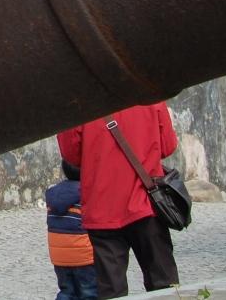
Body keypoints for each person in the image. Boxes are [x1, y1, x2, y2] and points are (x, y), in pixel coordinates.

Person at [57, 102, 180, 298]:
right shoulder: (150, 98)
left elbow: (72, 156)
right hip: (145, 202)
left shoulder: (78, 103)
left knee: (112, 291)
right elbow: (168, 146)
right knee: (164, 284)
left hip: (102, 207)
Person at [46, 159, 97, 299]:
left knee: (66, 292)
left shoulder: (54, 194)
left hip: (59, 257)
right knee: (89, 292)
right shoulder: (87, 193)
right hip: (84, 256)